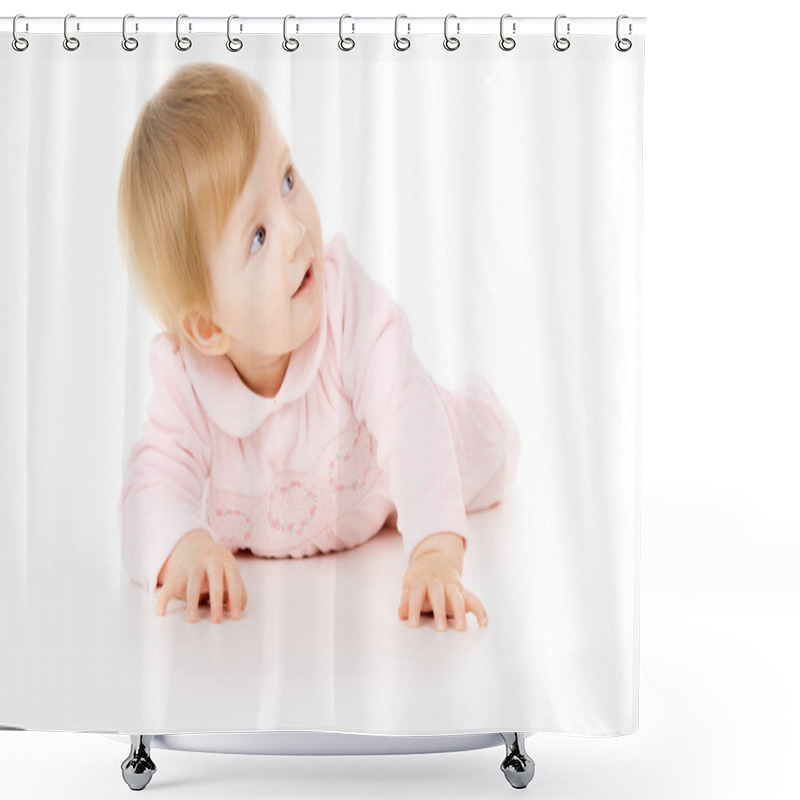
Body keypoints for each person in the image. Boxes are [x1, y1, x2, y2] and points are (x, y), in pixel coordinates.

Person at [117, 63, 520, 632]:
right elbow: (149, 488)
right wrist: (183, 549)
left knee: (479, 452)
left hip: (396, 472)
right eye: (257, 237)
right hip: (327, 512)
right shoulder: (187, 385)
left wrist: (433, 551)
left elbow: (410, 420)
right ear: (208, 329)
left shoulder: (348, 310)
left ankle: (492, 415)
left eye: (286, 180)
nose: (295, 230)